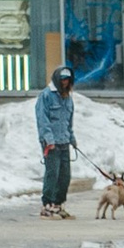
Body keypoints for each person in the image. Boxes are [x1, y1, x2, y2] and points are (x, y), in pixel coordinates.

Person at [35, 64, 76, 217]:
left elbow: (68, 121)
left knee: (65, 175)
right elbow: (42, 120)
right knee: (52, 174)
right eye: (62, 79)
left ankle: (59, 204)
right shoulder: (46, 96)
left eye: (67, 80)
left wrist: (71, 138)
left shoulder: (68, 98)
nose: (65, 82)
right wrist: (48, 139)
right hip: (51, 144)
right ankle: (47, 204)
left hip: (64, 141)